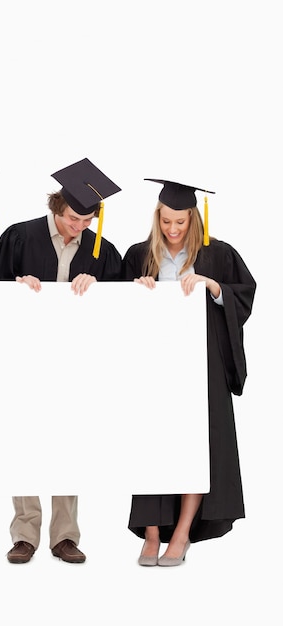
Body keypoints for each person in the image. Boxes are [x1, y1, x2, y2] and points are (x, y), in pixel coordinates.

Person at [121, 178, 256, 566]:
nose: (173, 229)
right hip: (153, 367)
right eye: (166, 221)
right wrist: (137, 288)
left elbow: (243, 295)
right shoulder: (139, 254)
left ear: (193, 218)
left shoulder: (218, 254)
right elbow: (116, 306)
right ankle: (151, 534)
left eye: (180, 221)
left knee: (198, 443)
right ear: (157, 217)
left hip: (203, 365)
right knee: (152, 446)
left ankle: (181, 533)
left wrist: (213, 286)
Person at [0, 157, 122, 563]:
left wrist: (99, 286)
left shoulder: (102, 250)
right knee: (23, 442)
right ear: (56, 206)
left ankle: (65, 536)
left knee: (69, 442)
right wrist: (14, 285)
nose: (79, 227)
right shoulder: (19, 237)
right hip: (22, 360)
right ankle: (24, 534)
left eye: (87, 222)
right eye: (72, 218)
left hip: (76, 365)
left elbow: (124, 307)